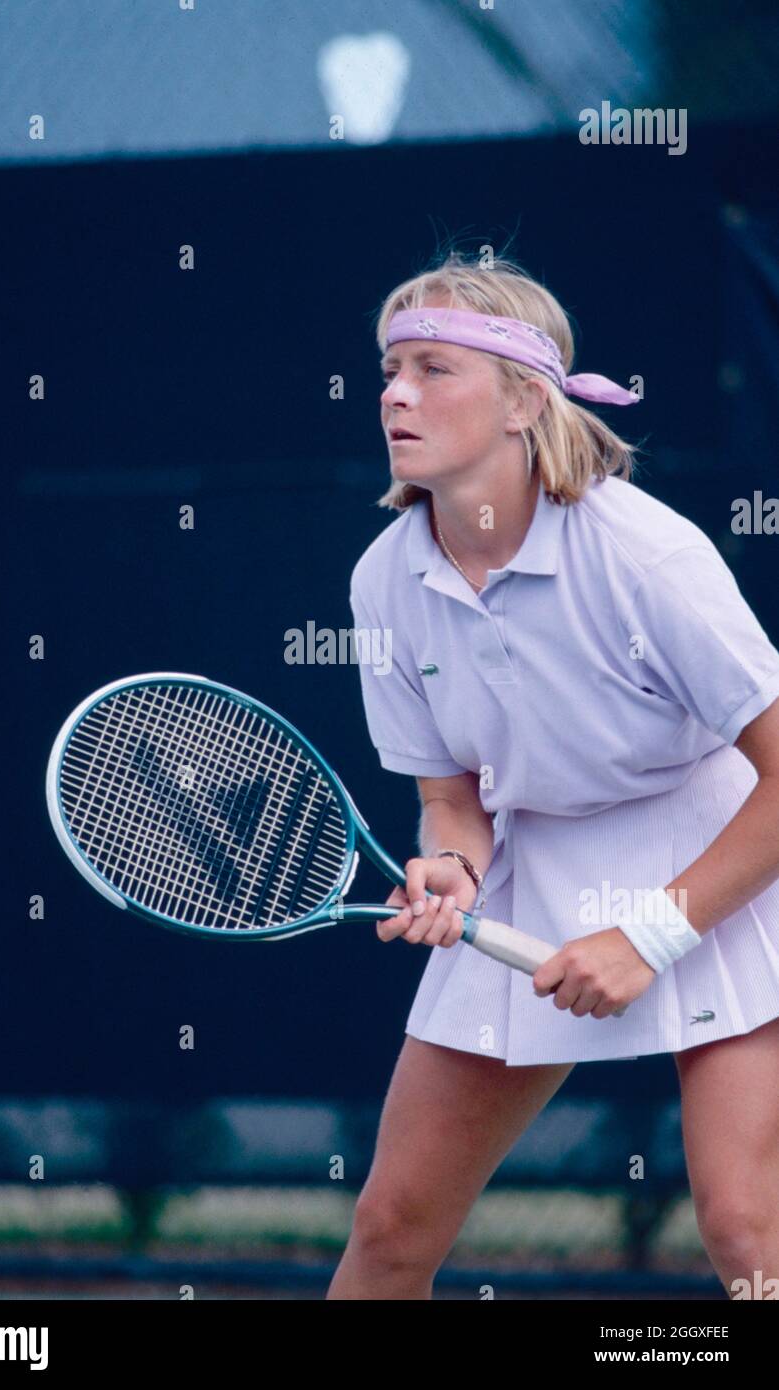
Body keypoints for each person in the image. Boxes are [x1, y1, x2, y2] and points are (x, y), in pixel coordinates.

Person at [326, 252, 779, 1300]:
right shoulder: (383, 578)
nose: (395, 391)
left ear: (527, 398)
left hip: (724, 867)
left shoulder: (644, 554)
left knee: (747, 1229)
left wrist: (650, 933)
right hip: (533, 859)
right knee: (392, 1228)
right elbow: (452, 793)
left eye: (435, 367)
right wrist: (449, 870)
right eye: (392, 367)